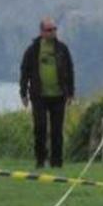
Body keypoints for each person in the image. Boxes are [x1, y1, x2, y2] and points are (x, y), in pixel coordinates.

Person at [19, 17, 75, 169]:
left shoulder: (62, 48)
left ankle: (57, 162)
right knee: (40, 128)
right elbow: (25, 71)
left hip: (58, 95)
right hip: (39, 96)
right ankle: (40, 160)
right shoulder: (33, 50)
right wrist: (23, 93)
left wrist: (70, 92)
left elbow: (69, 70)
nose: (53, 32)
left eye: (55, 29)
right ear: (42, 32)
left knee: (57, 130)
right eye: (49, 30)